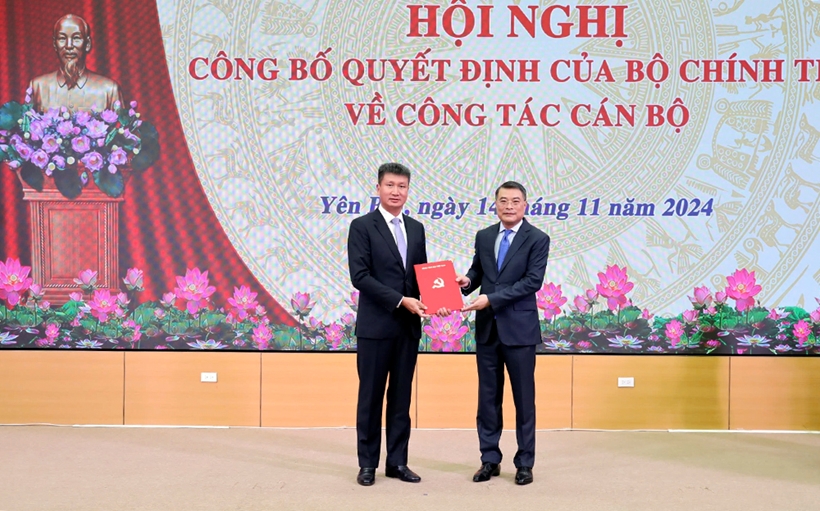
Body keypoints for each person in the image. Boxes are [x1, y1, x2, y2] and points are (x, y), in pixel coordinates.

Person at [457, 181, 550, 486]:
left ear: (525, 205)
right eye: (503, 201)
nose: (509, 206)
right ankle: (489, 459)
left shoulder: (537, 238)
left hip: (519, 330)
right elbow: (478, 272)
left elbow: (532, 282)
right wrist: (466, 281)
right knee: (487, 399)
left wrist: (492, 299)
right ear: (494, 204)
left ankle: (524, 463)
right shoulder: (484, 236)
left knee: (524, 400)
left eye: (515, 201)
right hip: (488, 329)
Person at [347, 162, 428, 486]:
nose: (396, 191)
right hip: (376, 327)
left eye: (402, 186)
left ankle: (397, 462)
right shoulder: (362, 226)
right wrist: (400, 300)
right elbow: (360, 276)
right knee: (370, 398)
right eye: (390, 185)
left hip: (407, 328)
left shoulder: (416, 228)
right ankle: (367, 464)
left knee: (401, 399)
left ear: (408, 190)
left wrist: (439, 297)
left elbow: (421, 275)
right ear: (378, 188)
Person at [29, 14, 124, 114]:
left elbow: (121, 124)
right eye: (62, 38)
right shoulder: (38, 87)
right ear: (55, 44)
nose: (69, 45)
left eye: (76, 38)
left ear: (87, 44)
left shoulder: (109, 90)